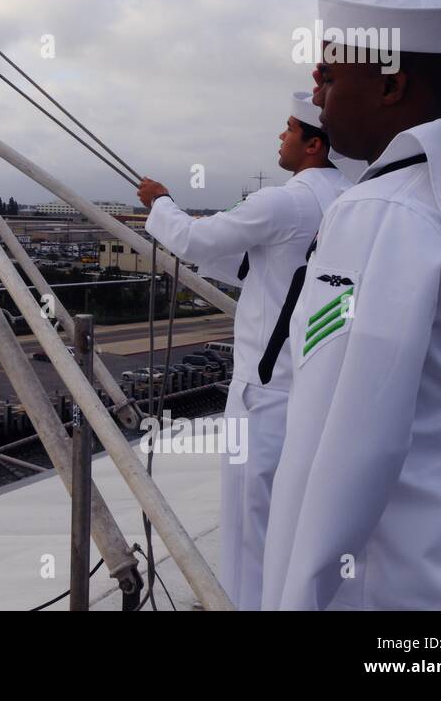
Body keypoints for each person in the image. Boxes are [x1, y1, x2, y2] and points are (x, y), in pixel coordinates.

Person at [262, 0, 441, 610]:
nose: (317, 90)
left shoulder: (382, 212)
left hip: (394, 596)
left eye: (330, 73)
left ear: (391, 85)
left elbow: (342, 447)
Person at [136, 96, 351, 609]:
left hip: (264, 390)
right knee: (302, 521)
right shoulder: (349, 199)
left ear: (314, 144)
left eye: (289, 129)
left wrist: (160, 202)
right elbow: (268, 267)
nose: (281, 137)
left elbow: (192, 238)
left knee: (248, 523)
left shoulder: (284, 201)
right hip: (319, 385)